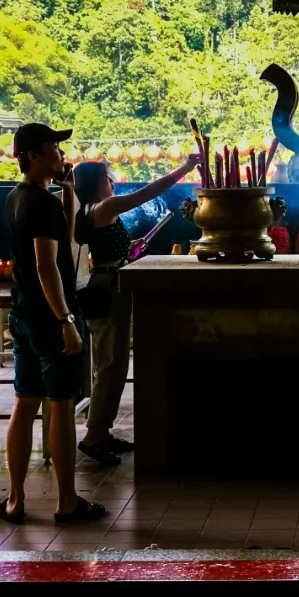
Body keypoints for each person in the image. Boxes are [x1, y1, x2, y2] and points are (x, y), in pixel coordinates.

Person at [0, 123, 104, 526]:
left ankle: (15, 500)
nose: (62, 153)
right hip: (50, 317)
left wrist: (70, 188)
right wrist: (66, 320)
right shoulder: (41, 204)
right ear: (36, 154)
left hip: (22, 315)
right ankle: (66, 501)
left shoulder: (17, 198)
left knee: (25, 402)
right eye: (55, 148)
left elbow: (70, 229)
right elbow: (47, 265)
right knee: (60, 406)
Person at [72, 154, 198, 464]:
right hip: (107, 290)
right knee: (108, 367)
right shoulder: (105, 207)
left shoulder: (93, 211)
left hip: (111, 284)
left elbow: (108, 249)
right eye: (106, 177)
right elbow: (149, 192)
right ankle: (93, 437)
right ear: (93, 184)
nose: (112, 182)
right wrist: (185, 168)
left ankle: (102, 430)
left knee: (114, 366)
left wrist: (131, 247)